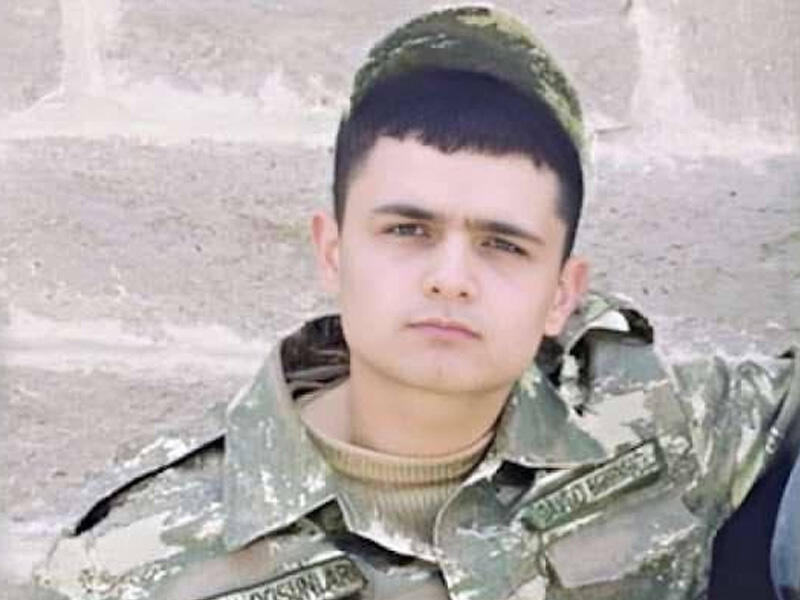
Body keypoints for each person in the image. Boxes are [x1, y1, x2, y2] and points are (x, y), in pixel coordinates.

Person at [32, 6, 799, 600]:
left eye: (503, 244)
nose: (450, 278)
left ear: (562, 293)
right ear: (333, 252)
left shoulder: (654, 423)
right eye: (408, 230)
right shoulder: (131, 562)